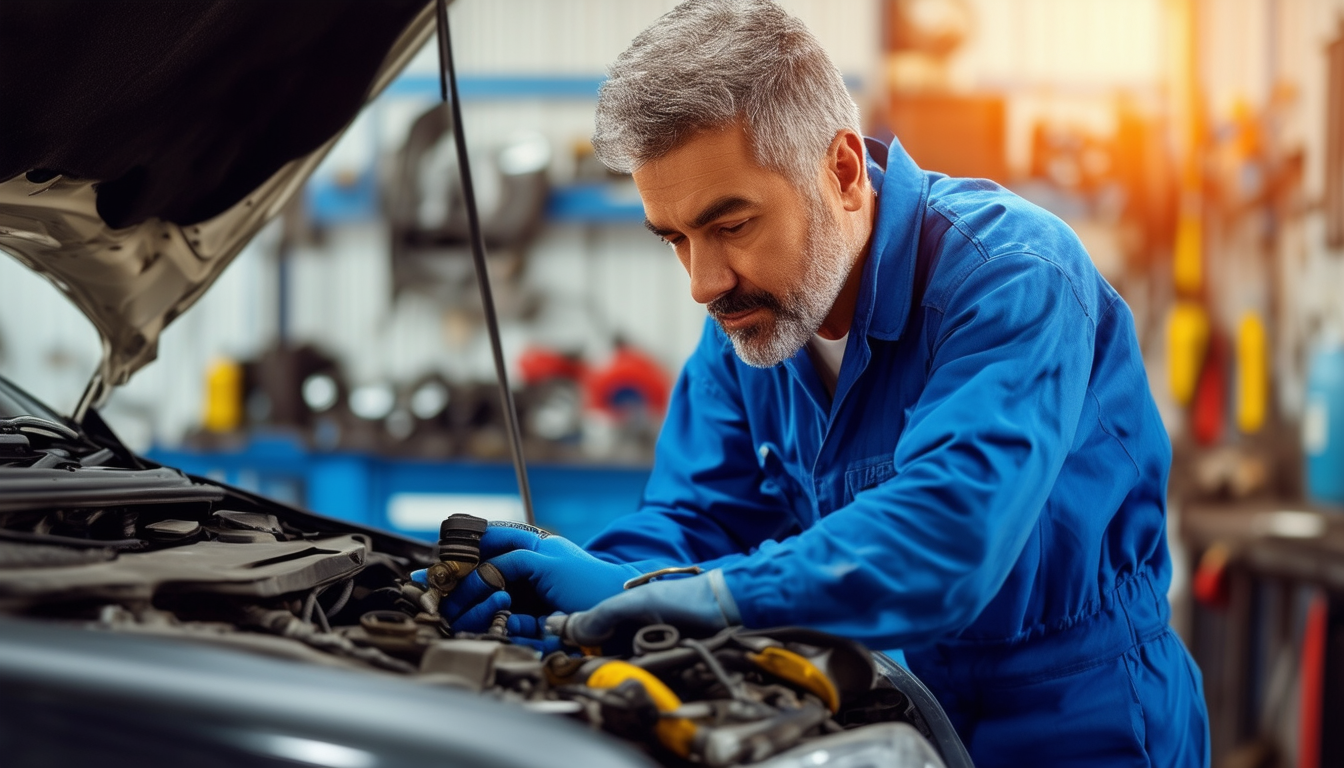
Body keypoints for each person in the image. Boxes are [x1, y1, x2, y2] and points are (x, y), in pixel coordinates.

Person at [433, 1, 1210, 764]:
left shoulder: (1010, 276)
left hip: (1088, 717)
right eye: (675, 238)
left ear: (840, 170)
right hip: (909, 704)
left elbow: (949, 536)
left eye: (730, 225)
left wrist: (699, 596)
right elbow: (696, 518)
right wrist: (594, 591)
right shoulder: (752, 326)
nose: (704, 283)